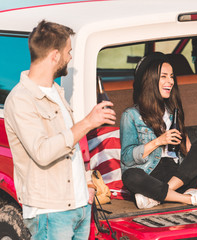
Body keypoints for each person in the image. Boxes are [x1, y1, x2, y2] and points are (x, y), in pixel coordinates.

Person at [4, 20, 116, 239]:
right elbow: (43, 152)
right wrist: (87, 122)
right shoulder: (20, 100)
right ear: (55, 55)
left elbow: (72, 145)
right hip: (50, 212)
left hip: (79, 206)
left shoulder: (56, 92)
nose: (70, 57)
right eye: (68, 51)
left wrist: (87, 184)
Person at [120, 52, 197, 209]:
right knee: (130, 176)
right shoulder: (131, 115)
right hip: (151, 173)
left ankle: (158, 196)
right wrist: (159, 141)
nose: (170, 81)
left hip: (178, 176)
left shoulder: (174, 111)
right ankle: (188, 199)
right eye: (164, 76)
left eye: (172, 76)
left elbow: (189, 152)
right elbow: (127, 158)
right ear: (150, 80)